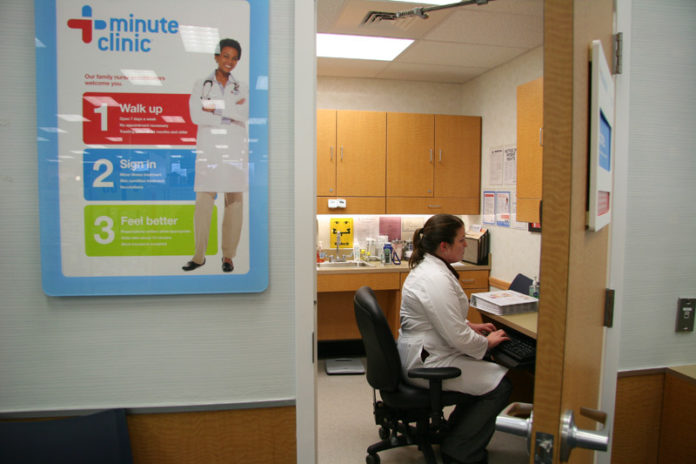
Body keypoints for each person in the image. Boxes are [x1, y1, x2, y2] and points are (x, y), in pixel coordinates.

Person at [397, 214, 511, 464]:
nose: (466, 245)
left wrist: (471, 325)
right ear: (444, 246)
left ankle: (455, 434)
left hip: (426, 349)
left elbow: (440, 318)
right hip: (427, 361)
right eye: (462, 240)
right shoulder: (434, 278)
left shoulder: (431, 268)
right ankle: (461, 450)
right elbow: (456, 334)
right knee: (500, 383)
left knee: (487, 375)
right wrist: (486, 344)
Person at [182, 38, 249, 273]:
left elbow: (244, 112)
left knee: (235, 205)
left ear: (237, 61)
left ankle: (228, 256)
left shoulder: (243, 87)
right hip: (209, 152)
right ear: (217, 57)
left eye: (234, 58)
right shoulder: (201, 83)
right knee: (202, 204)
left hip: (233, 152)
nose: (229, 61)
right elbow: (195, 114)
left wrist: (214, 107)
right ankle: (199, 256)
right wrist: (228, 112)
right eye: (225, 56)